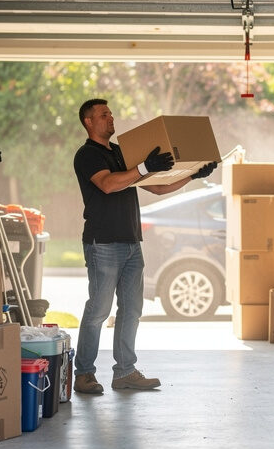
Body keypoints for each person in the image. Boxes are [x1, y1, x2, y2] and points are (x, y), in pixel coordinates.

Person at [72, 98, 218, 393]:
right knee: (99, 310)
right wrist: (142, 166)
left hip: (130, 241)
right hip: (103, 243)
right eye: (103, 115)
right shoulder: (87, 155)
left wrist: (193, 174)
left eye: (111, 113)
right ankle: (84, 374)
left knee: (131, 310)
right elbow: (109, 184)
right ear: (88, 122)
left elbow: (157, 186)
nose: (111, 118)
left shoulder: (119, 152)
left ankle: (125, 372)